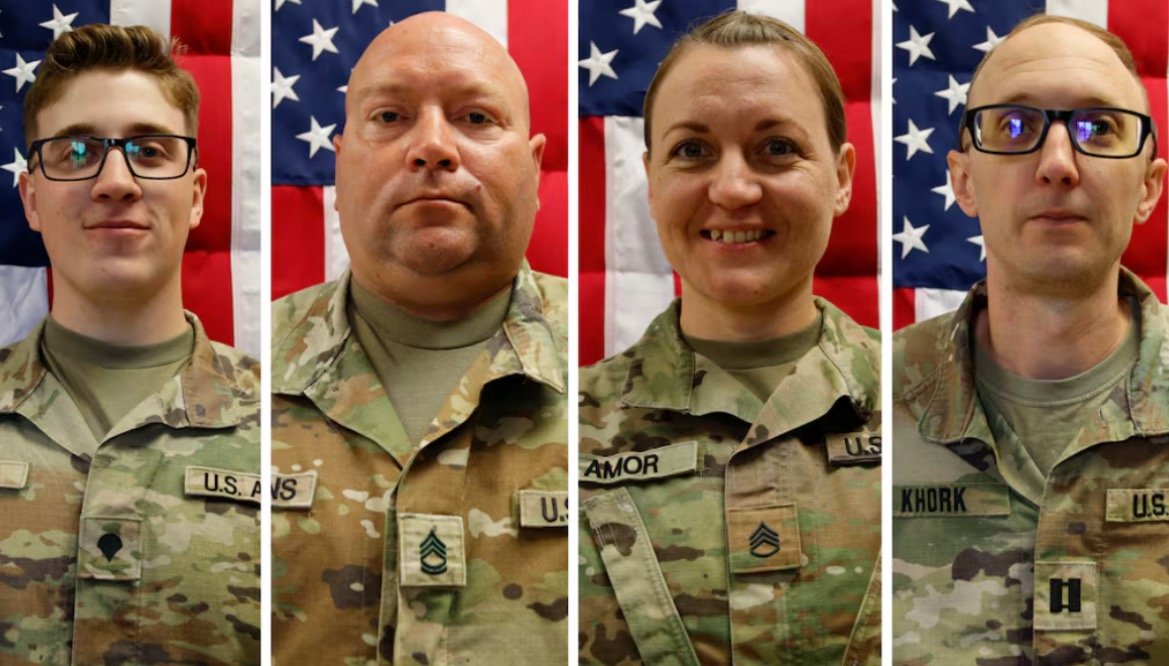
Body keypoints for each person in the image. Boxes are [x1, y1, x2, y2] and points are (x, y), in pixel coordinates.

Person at [578, 11, 881, 665]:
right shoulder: (546, 434)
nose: (734, 188)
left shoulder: (949, 411)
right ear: (651, 180)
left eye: (776, 148)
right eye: (692, 150)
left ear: (841, 176)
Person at [269, 12, 567, 664]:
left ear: (535, 167)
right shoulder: (236, 377)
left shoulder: (618, 369)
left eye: (475, 118)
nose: (432, 146)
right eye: (390, 117)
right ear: (339, 165)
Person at [892, 15, 1169, 663]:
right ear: (961, 180)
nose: (1055, 164)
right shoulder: (860, 407)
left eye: (1097, 129)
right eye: (1012, 127)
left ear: (1148, 188)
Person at [0, 24, 260, 664]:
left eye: (149, 150)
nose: (117, 181)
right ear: (31, 199)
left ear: (195, 195)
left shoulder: (296, 428)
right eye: (76, 151)